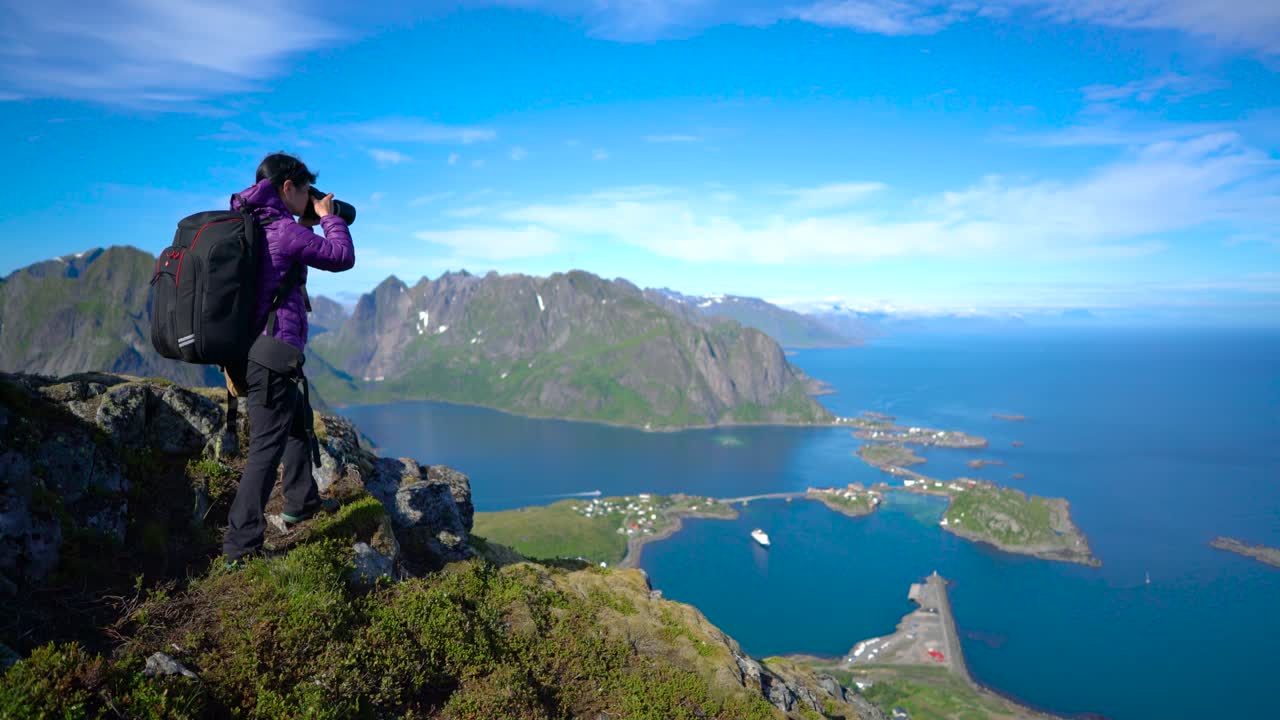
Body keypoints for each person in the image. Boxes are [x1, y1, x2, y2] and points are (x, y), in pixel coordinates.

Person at [222, 153, 355, 564]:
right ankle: (241, 547)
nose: (310, 197)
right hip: (273, 354)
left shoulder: (260, 226)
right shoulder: (282, 229)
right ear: (287, 188)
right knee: (266, 448)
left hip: (257, 352)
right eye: (304, 190)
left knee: (295, 421)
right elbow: (340, 257)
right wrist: (328, 216)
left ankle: (300, 501)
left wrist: (305, 219)